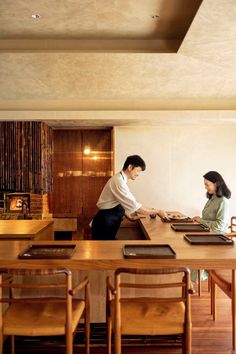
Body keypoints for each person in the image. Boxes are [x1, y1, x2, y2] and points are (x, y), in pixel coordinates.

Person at [91, 155, 168, 240]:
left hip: (110, 220)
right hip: (105, 223)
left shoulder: (121, 179)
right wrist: (158, 211)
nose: (138, 174)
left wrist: (129, 216)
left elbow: (118, 202)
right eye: (138, 170)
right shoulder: (119, 181)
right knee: (105, 251)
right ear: (130, 167)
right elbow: (137, 207)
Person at [192, 171, 231, 283]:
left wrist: (201, 220)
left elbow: (219, 226)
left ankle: (193, 280)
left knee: (194, 249)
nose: (205, 187)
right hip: (209, 234)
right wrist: (200, 220)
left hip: (218, 238)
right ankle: (190, 279)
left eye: (207, 184)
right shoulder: (212, 198)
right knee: (188, 242)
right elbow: (207, 220)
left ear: (216, 184)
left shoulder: (223, 201)